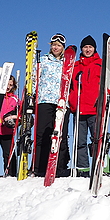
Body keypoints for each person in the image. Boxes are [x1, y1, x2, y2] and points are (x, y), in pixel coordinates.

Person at [33, 33, 71, 176]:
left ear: (63, 48)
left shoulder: (67, 64)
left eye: (59, 45)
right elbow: (33, 78)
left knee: (60, 135)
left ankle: (59, 166)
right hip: (44, 100)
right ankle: (40, 167)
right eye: (54, 45)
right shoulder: (42, 60)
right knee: (43, 133)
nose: (56, 47)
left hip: (61, 102)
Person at [68, 35, 102, 177]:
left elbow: (109, 84)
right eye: (85, 47)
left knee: (97, 140)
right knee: (80, 142)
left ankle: (99, 167)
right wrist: (72, 102)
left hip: (94, 109)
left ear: (94, 49)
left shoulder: (101, 64)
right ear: (81, 48)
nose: (88, 49)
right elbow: (68, 86)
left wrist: (104, 99)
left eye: (90, 47)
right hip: (79, 110)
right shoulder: (75, 66)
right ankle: (83, 170)